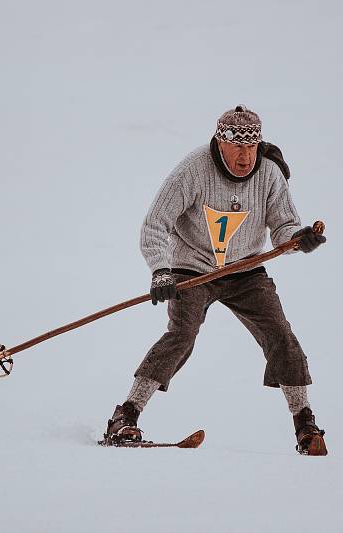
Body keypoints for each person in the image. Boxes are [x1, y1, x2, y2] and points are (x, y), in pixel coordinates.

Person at [102, 105, 328, 455]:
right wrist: (162, 270)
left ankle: (305, 424)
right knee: (182, 333)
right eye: (237, 146)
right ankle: (125, 414)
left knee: (280, 334)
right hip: (191, 269)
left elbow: (283, 228)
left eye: (251, 147)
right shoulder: (193, 170)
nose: (245, 155)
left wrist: (299, 240)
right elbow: (155, 226)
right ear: (220, 143)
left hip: (246, 270)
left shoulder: (269, 173)